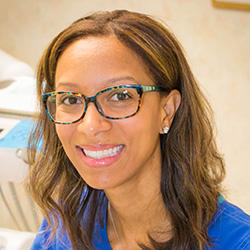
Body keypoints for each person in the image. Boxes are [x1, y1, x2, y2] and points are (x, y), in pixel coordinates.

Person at [27, 10, 250, 249]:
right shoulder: (65, 221)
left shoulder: (236, 241)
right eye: (70, 100)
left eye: (121, 95)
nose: (90, 126)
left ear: (167, 110)